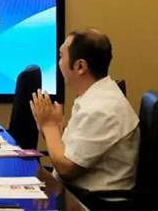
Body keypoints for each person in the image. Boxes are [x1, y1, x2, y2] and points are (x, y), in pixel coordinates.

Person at [31, 29, 139, 192]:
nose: (58, 63)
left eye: (61, 56)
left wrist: (49, 126)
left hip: (92, 201)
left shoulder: (101, 109)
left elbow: (66, 169)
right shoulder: (95, 96)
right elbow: (74, 152)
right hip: (76, 194)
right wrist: (53, 132)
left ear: (80, 66)